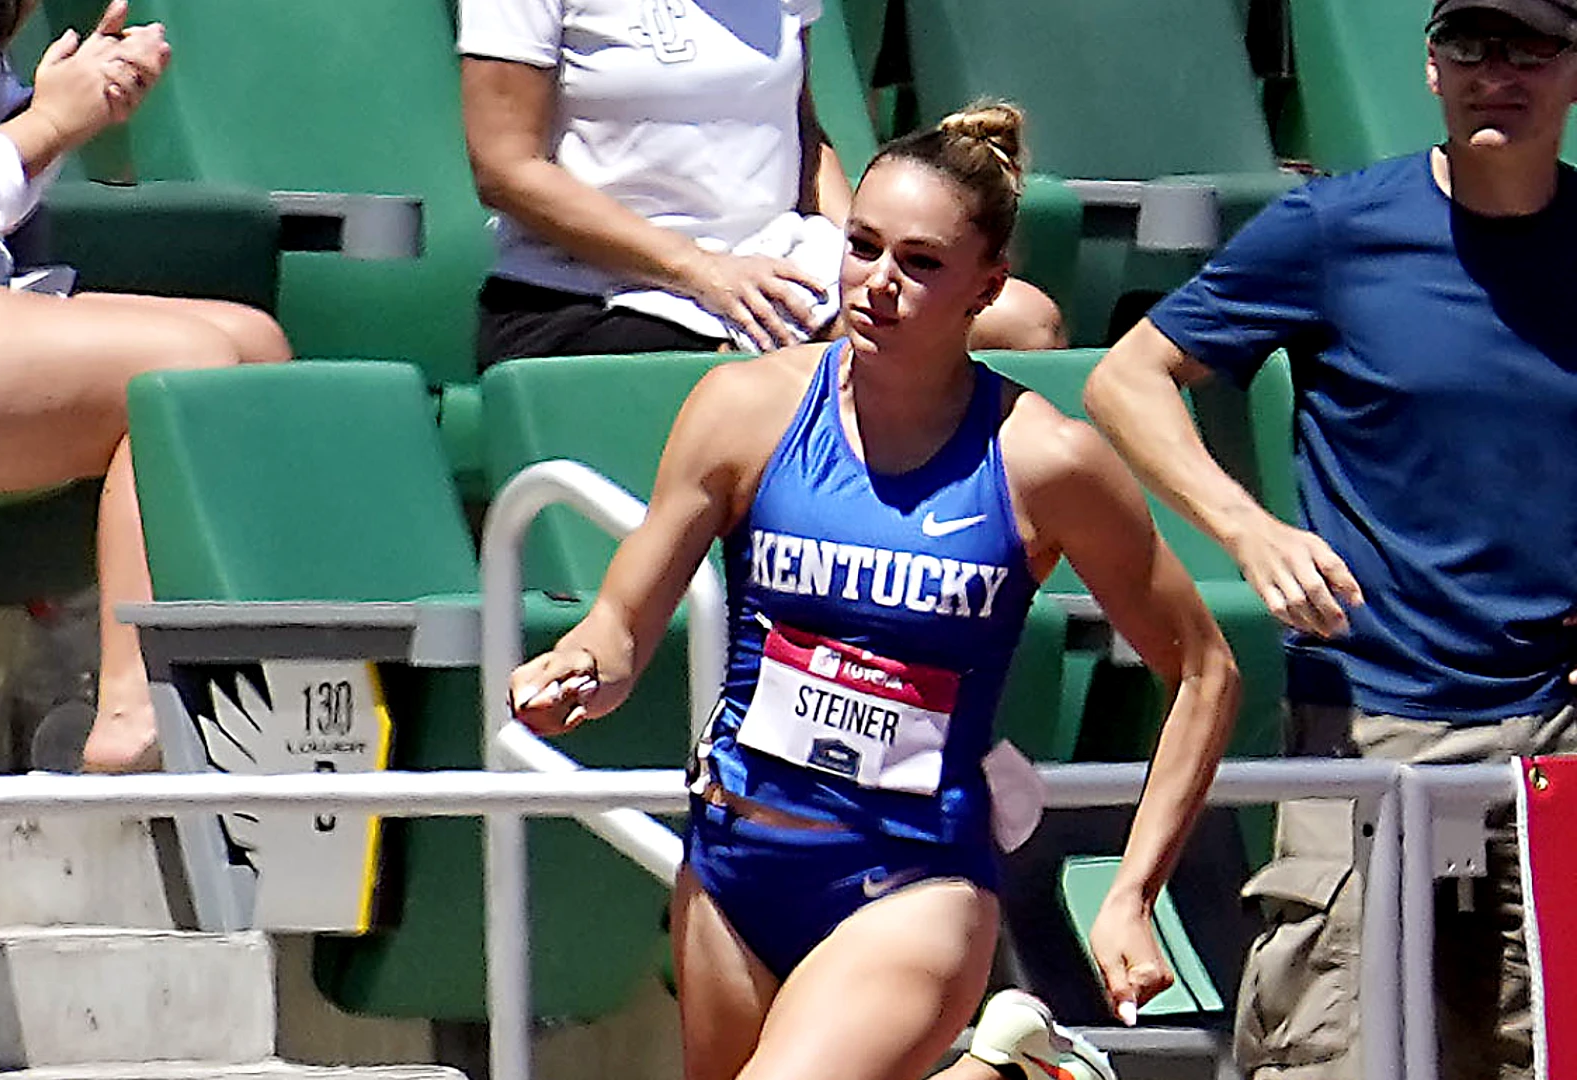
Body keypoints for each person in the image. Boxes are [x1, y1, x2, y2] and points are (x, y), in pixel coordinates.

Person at [508, 102, 1239, 1080]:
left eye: (919, 264)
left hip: (912, 881)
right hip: (731, 865)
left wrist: (1130, 894)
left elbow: (1202, 668)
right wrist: (577, 669)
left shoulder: (1043, 462)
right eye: (859, 247)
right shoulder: (743, 409)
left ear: (987, 287)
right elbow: (619, 621)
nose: (875, 285)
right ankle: (1006, 1072)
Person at [1082, 2, 1577, 1076]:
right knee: (1341, 1051)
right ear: (1430, 69)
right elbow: (1125, 379)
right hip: (1372, 734)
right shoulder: (1334, 229)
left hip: (1552, 741)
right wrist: (1246, 529)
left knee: (1534, 1054)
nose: (1498, 73)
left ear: (1573, 71)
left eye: (1530, 47)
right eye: (1471, 46)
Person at [0, 0, 293, 773]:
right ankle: (133, 709)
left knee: (256, 351)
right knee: (186, 373)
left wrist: (71, 111)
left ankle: (203, 684)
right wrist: (51, 122)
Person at [457, 0, 1064, 370]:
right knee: (828, 377)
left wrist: (862, 251)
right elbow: (506, 171)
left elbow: (802, 133)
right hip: (592, 294)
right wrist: (702, 270)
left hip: (779, 270)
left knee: (1023, 325)